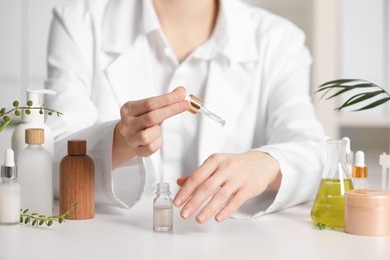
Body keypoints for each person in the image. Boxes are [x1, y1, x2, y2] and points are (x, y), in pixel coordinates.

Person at [45, 0, 326, 223]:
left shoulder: (278, 40)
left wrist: (267, 164)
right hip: (108, 240)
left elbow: (317, 152)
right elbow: (47, 164)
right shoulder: (80, 22)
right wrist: (119, 141)